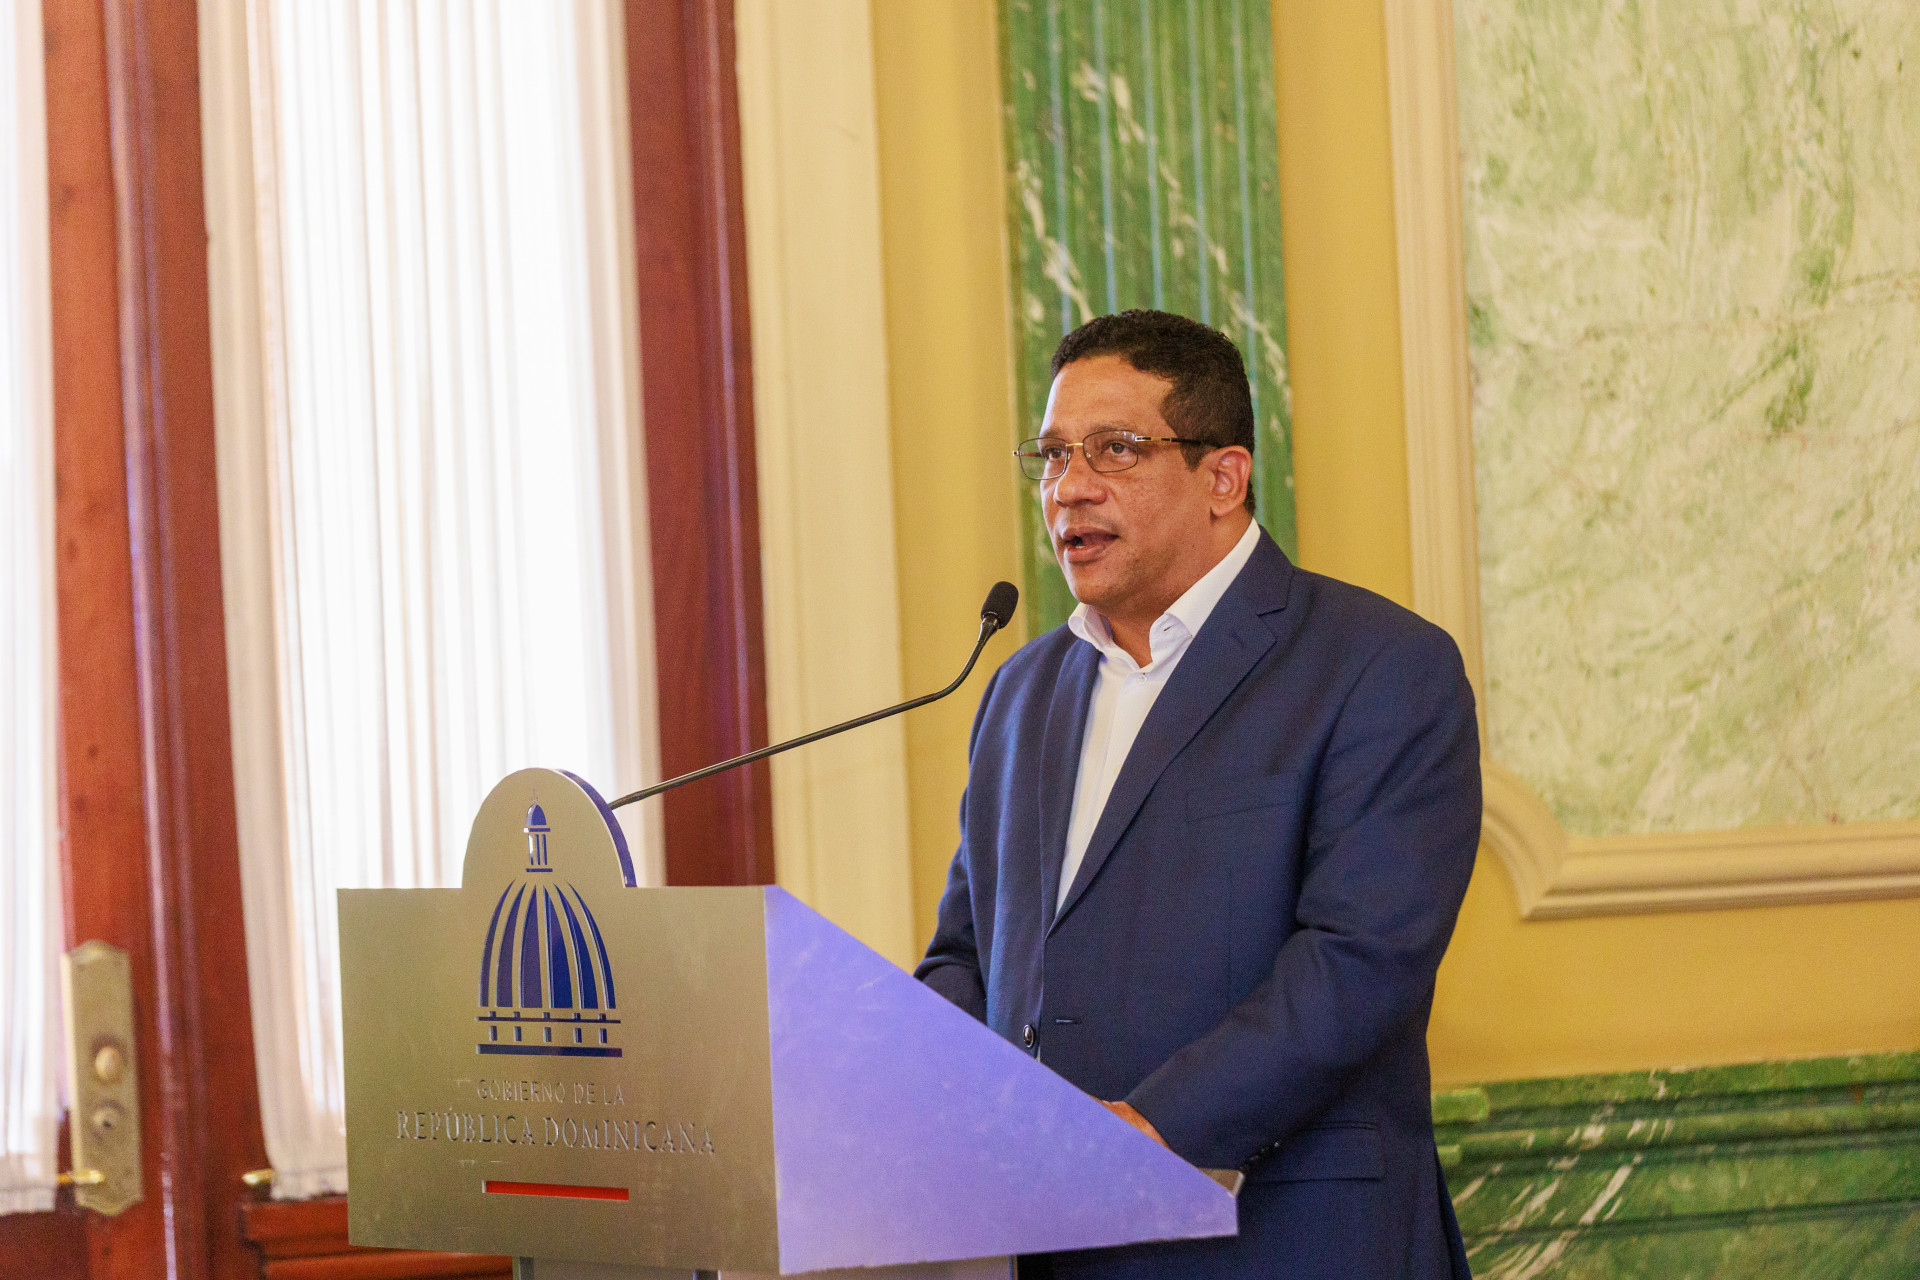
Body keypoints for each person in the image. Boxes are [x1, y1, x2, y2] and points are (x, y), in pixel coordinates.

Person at [916, 310, 1481, 1279]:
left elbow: (1359, 961)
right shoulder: (1020, 692)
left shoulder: (1379, 667)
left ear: (1223, 478)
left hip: (1280, 1238)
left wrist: (1148, 1126)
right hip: (1047, 1236)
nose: (1069, 486)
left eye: (1115, 449)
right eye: (1052, 454)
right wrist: (908, 1086)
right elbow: (969, 952)